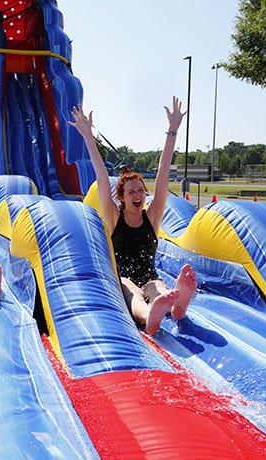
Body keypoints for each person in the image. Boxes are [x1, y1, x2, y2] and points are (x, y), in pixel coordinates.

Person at [69, 96, 197, 334]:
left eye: (140, 190)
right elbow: (101, 176)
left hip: (149, 276)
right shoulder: (114, 217)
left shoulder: (152, 218)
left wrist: (172, 131)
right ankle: (151, 315)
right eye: (132, 192)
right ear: (123, 198)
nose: (138, 195)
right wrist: (88, 135)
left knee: (157, 287)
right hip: (123, 278)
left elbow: (162, 175)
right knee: (132, 292)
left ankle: (176, 306)